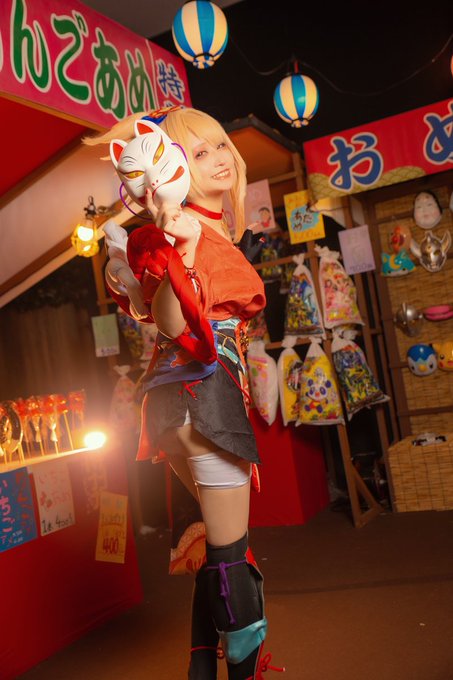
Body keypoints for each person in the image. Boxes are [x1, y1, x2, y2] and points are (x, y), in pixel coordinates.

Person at [84, 106, 284, 680]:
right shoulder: (178, 230)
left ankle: (202, 670)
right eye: (199, 153)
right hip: (205, 397)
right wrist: (183, 250)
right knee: (230, 556)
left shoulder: (203, 228)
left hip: (179, 403)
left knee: (220, 549)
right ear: (171, 167)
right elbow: (172, 324)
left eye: (220, 145)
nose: (220, 158)